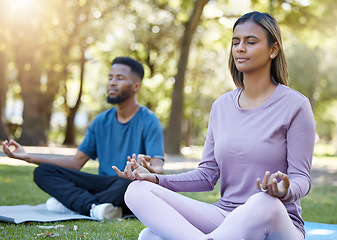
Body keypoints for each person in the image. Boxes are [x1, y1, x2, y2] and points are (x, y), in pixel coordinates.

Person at [113, 12, 316, 240]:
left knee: (262, 200)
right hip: (226, 216)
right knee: (138, 196)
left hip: (277, 221)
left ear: (273, 50)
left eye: (250, 42)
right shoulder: (222, 106)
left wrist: (285, 190)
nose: (240, 48)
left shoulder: (296, 105)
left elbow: (302, 179)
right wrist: (157, 179)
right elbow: (207, 174)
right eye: (235, 42)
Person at [2, 56, 165, 220]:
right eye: (110, 77)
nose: (112, 83)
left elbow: (159, 170)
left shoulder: (150, 121)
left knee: (130, 185)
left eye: (120, 78)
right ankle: (94, 208)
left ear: (136, 86)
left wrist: (147, 169)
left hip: (126, 185)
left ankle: (74, 204)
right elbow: (75, 163)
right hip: (102, 184)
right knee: (43, 171)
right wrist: (28, 157)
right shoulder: (101, 121)